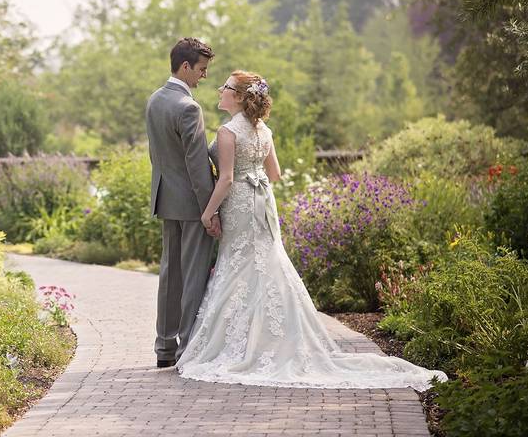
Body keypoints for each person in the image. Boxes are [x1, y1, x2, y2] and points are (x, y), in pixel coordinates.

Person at [176, 70, 447, 390]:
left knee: (239, 268)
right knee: (265, 266)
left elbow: (226, 179)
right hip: (263, 203)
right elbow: (274, 174)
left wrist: (208, 212)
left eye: (226, 87)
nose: (220, 90)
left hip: (239, 205)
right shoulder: (264, 130)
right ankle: (272, 339)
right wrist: (255, 174)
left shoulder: (227, 131)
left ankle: (243, 343)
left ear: (237, 96)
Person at [145, 37, 220, 368]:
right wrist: (210, 210)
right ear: (185, 66)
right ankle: (188, 348)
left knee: (169, 275)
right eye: (201, 70)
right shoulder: (189, 107)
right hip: (191, 204)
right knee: (192, 277)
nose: (203, 77)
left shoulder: (154, 101)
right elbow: (197, 166)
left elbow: (156, 156)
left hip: (165, 198)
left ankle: (164, 347)